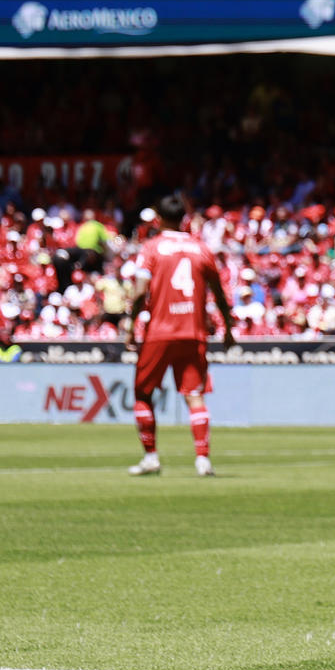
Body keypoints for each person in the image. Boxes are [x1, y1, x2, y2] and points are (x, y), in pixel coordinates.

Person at [124, 195, 233, 479]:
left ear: (158, 219)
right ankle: (203, 460)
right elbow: (219, 293)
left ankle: (150, 457)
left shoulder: (151, 248)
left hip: (160, 331)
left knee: (142, 393)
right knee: (194, 396)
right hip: (193, 332)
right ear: (184, 218)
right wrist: (229, 329)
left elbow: (139, 292)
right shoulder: (201, 248)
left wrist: (130, 325)